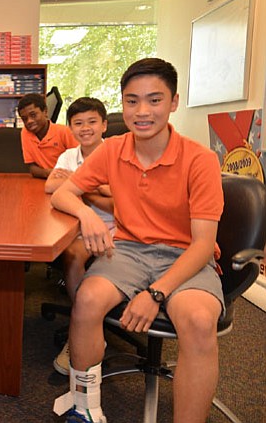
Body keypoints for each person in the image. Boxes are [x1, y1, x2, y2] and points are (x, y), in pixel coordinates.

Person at [50, 58, 224, 423]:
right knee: (87, 299)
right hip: (128, 250)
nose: (142, 111)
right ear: (123, 104)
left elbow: (203, 244)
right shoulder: (113, 149)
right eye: (132, 101)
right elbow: (62, 193)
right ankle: (84, 406)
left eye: (154, 100)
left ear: (174, 102)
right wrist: (84, 214)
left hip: (185, 253)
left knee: (198, 321)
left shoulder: (200, 159)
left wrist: (155, 293)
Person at [44, 97, 114, 377]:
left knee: (81, 258)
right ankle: (82, 324)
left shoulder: (117, 153)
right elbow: (51, 186)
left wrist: (76, 184)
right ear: (71, 128)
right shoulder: (68, 156)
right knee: (71, 255)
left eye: (92, 122)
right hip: (76, 226)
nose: (85, 129)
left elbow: (118, 201)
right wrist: (98, 188)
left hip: (117, 227)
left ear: (104, 125)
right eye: (78, 123)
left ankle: (86, 328)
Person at [18, 93, 77, 179]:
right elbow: (32, 168)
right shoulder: (25, 132)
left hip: (68, 180)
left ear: (45, 112)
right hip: (44, 180)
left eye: (33, 115)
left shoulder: (64, 132)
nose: (29, 121)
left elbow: (81, 163)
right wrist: (49, 173)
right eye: (24, 119)